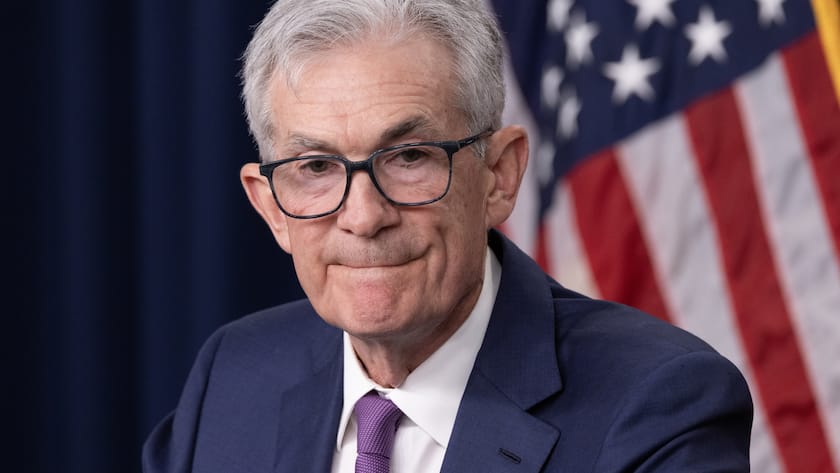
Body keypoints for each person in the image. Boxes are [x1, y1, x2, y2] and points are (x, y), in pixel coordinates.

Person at [142, 0, 753, 471]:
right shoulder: (232, 378)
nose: (363, 217)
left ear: (498, 175)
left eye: (409, 157)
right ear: (271, 206)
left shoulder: (657, 406)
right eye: (317, 167)